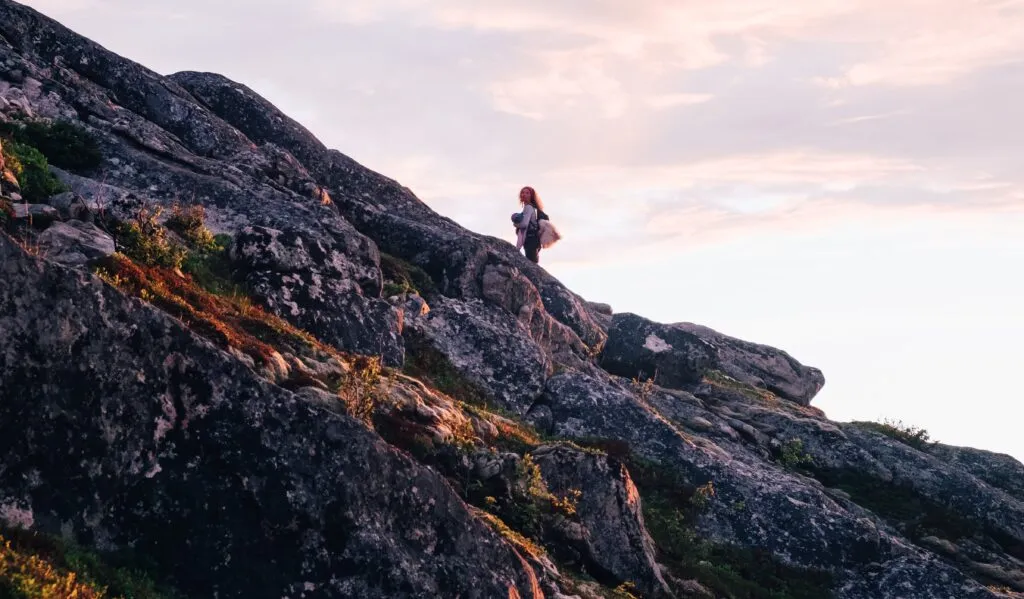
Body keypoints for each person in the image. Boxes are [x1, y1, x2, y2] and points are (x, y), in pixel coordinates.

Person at [512, 186, 545, 263]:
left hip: (531, 240)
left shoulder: (528, 208)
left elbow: (524, 224)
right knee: (533, 262)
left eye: (527, 193)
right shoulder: (533, 208)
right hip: (534, 239)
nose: (524, 194)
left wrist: (515, 225)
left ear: (531, 196)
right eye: (522, 192)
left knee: (532, 263)